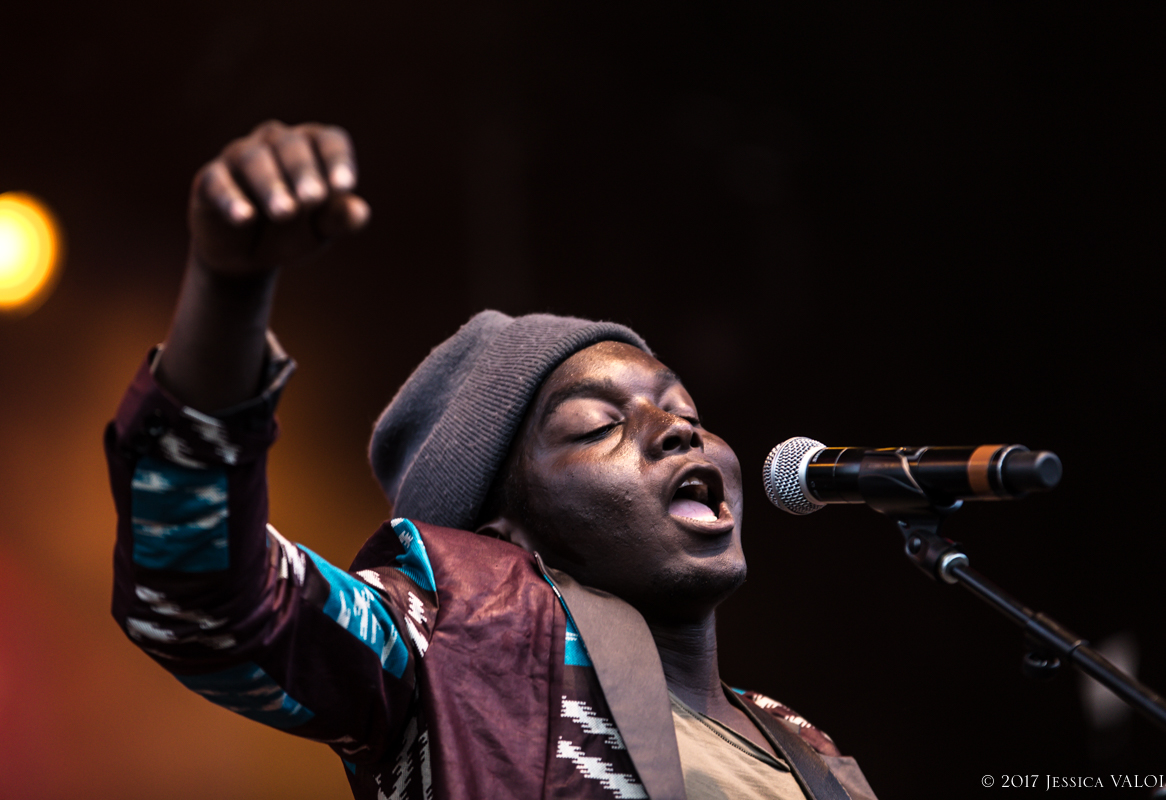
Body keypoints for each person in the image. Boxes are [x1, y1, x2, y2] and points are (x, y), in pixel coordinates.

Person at [106, 121, 877, 800]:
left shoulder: (796, 739)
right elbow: (207, 597)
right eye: (597, 426)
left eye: (686, 412)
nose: (677, 431)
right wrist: (227, 290)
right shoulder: (460, 645)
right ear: (504, 533)